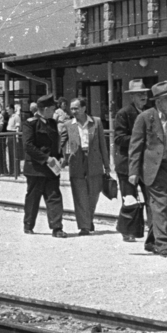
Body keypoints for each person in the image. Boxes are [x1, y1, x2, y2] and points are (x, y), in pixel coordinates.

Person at [127, 81, 167, 257]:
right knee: (160, 206)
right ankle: (164, 245)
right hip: (154, 169)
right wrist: (133, 172)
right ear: (158, 102)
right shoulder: (145, 118)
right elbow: (135, 146)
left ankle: (151, 241)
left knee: (165, 207)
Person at [61, 97, 111, 235]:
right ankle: (84, 226)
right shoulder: (68, 124)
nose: (73, 111)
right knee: (79, 194)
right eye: (71, 109)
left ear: (84, 108)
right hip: (77, 162)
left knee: (93, 193)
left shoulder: (96, 122)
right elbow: (61, 143)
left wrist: (107, 166)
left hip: (94, 161)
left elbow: (103, 145)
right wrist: (63, 157)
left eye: (76, 108)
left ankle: (88, 220)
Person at [19, 92, 66, 237]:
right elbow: (28, 146)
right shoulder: (30, 123)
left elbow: (54, 144)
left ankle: (57, 228)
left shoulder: (52, 123)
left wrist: (60, 157)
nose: (55, 111)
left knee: (54, 197)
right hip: (36, 168)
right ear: (45, 109)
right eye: (53, 108)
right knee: (33, 198)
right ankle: (28, 225)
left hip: (51, 168)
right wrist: (46, 158)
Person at [111, 80, 151, 242]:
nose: (143, 96)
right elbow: (120, 138)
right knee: (130, 199)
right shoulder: (124, 113)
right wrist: (141, 139)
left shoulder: (150, 112)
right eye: (140, 94)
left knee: (150, 198)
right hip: (127, 164)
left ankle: (153, 231)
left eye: (145, 93)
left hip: (146, 164)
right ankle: (127, 231)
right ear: (132, 96)